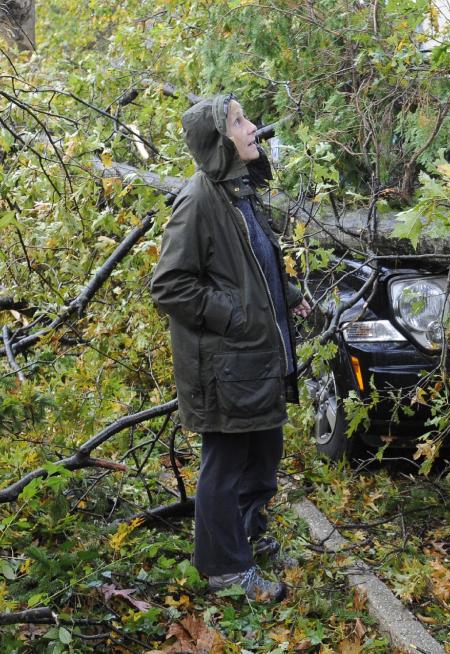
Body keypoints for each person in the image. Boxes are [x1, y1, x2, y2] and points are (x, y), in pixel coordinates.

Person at [150, 94, 310, 603]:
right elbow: (170, 286)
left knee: (264, 454)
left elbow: (253, 264)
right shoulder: (198, 201)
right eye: (239, 121)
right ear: (220, 140)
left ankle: (250, 537)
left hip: (257, 360)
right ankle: (223, 569)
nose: (253, 128)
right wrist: (236, 314)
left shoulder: (239, 192)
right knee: (226, 464)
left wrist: (287, 298)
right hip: (226, 367)